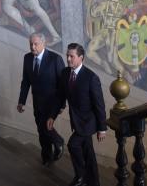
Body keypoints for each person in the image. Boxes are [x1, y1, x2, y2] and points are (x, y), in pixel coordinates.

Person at [47, 43, 107, 186]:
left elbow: (99, 105)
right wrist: (52, 116)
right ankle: (93, 182)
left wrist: (102, 128)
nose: (68, 59)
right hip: (76, 120)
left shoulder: (91, 78)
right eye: (67, 55)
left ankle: (81, 177)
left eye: (71, 56)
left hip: (88, 121)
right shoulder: (65, 73)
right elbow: (60, 97)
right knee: (88, 152)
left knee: (73, 144)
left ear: (81, 58)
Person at [17, 33, 66, 166]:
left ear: (44, 44)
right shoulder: (27, 58)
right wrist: (21, 101)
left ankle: (58, 141)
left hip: (53, 102)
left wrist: (62, 104)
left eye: (36, 44)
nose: (33, 47)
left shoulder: (55, 59)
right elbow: (26, 82)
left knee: (45, 125)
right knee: (41, 128)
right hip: (37, 102)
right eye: (31, 44)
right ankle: (47, 157)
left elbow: (63, 84)